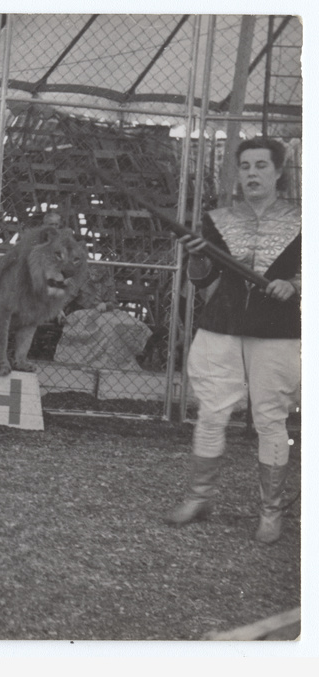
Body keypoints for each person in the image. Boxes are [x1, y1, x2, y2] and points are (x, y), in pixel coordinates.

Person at [164, 137, 300, 544]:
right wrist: (197, 256)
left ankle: (270, 512)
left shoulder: (304, 220)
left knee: (271, 419)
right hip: (220, 325)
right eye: (245, 166)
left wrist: (294, 284)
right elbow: (205, 282)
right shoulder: (217, 220)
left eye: (261, 166)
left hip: (276, 331)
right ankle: (198, 497)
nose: (252, 174)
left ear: (279, 172)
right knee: (210, 413)